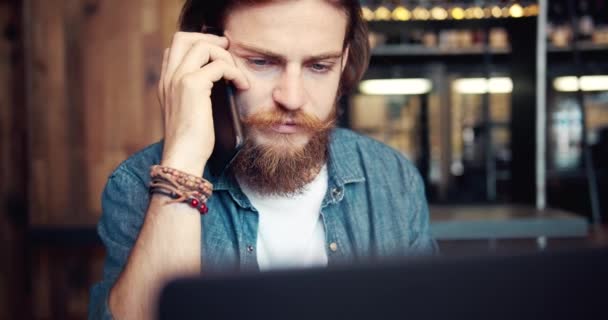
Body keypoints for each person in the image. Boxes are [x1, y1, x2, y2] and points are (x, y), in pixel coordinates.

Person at [89, 0, 437, 319]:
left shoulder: (392, 179)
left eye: (319, 66)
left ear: (343, 61)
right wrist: (182, 163)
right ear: (204, 56)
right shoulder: (137, 184)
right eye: (261, 62)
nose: (292, 97)